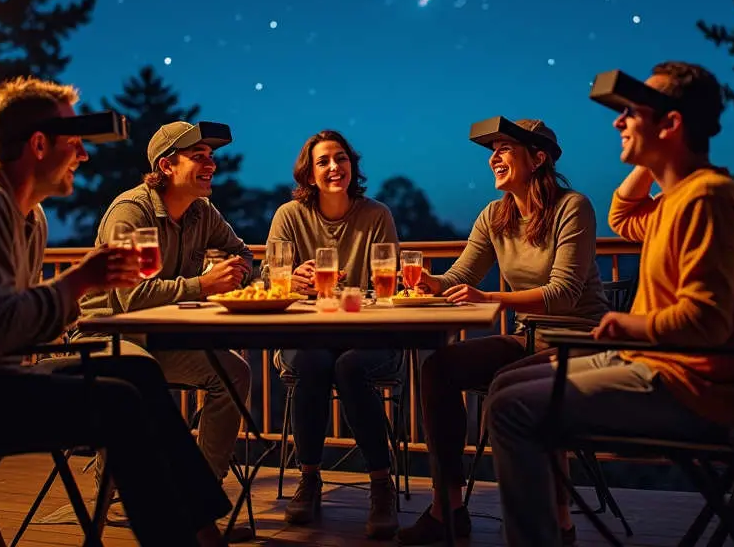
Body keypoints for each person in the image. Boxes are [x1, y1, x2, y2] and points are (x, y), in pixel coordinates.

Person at [0, 77, 232, 546]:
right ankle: (181, 536)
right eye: (75, 143)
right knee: (120, 401)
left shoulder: (30, 217)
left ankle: (201, 528)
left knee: (137, 373)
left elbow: (16, 326)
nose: (85, 155)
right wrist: (80, 280)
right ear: (38, 145)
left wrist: (73, 295)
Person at [485, 62, 734, 547]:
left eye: (631, 112)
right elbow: (622, 213)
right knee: (506, 383)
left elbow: (705, 321)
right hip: (660, 367)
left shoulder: (706, 201)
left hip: (686, 387)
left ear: (672, 123)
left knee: (512, 407)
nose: (617, 122)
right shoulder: (673, 200)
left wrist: (628, 326)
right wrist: (657, 155)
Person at [398, 117, 608, 546]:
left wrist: (490, 299)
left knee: (518, 386)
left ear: (539, 157)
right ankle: (448, 509)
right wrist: (427, 281)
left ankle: (558, 520)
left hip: (577, 339)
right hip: (525, 338)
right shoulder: (495, 215)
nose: (494, 157)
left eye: (504, 148)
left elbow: (565, 294)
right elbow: (460, 275)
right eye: (491, 150)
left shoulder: (574, 207)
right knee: (440, 367)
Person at [77, 120, 254, 483]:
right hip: (106, 340)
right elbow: (130, 299)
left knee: (235, 372)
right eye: (197, 156)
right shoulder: (130, 211)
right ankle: (117, 485)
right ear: (167, 165)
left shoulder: (202, 211)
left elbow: (242, 254)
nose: (211, 164)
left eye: (211, 157)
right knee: (139, 374)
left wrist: (234, 272)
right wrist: (202, 284)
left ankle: (203, 494)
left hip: (163, 339)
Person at [267, 130, 402, 539]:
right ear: (308, 174)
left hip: (368, 335)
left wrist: (351, 295)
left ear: (352, 166)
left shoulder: (376, 214)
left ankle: (381, 484)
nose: (334, 167)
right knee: (312, 362)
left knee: (348, 366)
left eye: (341, 159)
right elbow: (269, 276)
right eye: (323, 161)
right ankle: (309, 479)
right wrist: (291, 278)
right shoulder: (289, 216)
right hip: (308, 334)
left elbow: (388, 285)